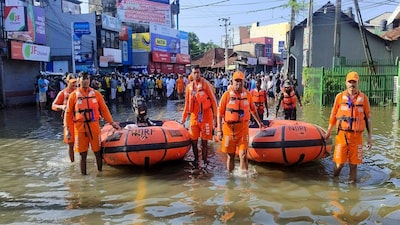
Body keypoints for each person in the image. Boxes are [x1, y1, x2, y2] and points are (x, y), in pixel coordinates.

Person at [64, 72, 121, 175]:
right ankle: (84, 177)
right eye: (83, 78)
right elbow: (68, 114)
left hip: (94, 126)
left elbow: (104, 110)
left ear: (89, 80)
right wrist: (67, 129)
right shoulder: (73, 96)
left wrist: (112, 123)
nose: (85, 81)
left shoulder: (96, 94)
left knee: (97, 152)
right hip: (80, 128)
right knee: (83, 155)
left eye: (87, 78)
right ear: (79, 80)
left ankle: (100, 174)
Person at [324, 71, 372, 183]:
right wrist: (329, 132)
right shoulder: (339, 97)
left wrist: (370, 137)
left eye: (354, 82)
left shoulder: (363, 98)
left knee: (354, 165)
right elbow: (333, 116)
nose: (352, 84)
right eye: (350, 82)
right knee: (339, 163)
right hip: (342, 136)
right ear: (346, 83)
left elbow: (368, 117)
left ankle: (352, 189)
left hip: (357, 136)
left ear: (358, 83)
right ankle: (334, 182)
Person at [216, 70, 266, 173]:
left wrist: (260, 122)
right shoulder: (226, 95)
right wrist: (219, 130)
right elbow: (219, 113)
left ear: (244, 82)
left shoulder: (247, 95)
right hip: (229, 130)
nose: (238, 83)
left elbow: (253, 110)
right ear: (232, 82)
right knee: (231, 156)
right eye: (236, 81)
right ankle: (231, 179)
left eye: (240, 81)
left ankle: (244, 180)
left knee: (243, 155)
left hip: (243, 129)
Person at [181, 65, 218, 167]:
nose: (196, 75)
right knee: (193, 140)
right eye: (194, 73)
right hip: (194, 117)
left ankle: (205, 161)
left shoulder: (206, 84)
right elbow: (186, 103)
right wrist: (183, 118)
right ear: (191, 74)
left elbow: (214, 101)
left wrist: (215, 118)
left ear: (200, 73)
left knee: (204, 142)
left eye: (198, 72)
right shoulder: (189, 87)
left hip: (206, 117)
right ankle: (196, 160)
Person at [51, 73, 78, 162]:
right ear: (67, 82)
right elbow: (53, 105)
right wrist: (62, 107)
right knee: (70, 144)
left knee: (83, 141)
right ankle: (72, 162)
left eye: (75, 82)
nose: (74, 84)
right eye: (72, 82)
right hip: (68, 121)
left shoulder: (79, 91)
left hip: (80, 119)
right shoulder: (63, 93)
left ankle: (83, 159)